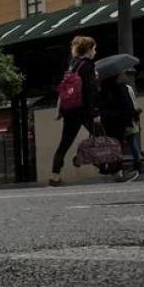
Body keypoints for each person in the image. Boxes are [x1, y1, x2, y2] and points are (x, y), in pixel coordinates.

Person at [49, 36, 99, 187]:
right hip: (83, 110)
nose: (95, 52)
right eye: (94, 49)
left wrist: (59, 111)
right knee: (102, 138)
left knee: (64, 144)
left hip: (69, 110)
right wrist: (95, 113)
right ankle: (117, 171)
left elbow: (62, 90)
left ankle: (55, 176)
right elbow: (89, 92)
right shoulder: (88, 66)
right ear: (89, 49)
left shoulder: (72, 65)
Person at [97, 70, 140, 182]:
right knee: (119, 145)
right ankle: (118, 172)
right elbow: (127, 105)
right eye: (122, 73)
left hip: (107, 121)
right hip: (119, 120)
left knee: (112, 145)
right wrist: (132, 117)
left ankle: (114, 170)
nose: (124, 75)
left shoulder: (103, 88)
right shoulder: (121, 87)